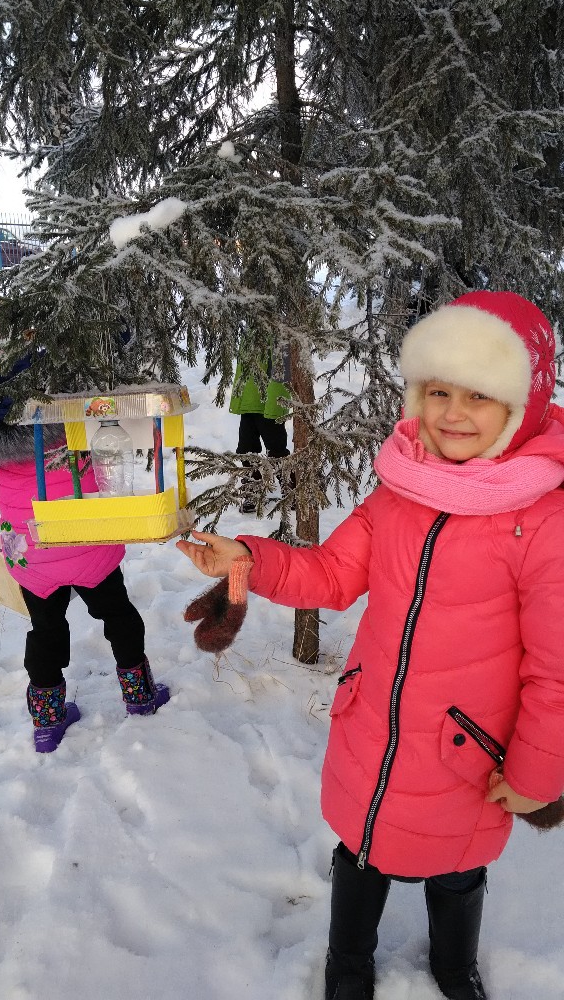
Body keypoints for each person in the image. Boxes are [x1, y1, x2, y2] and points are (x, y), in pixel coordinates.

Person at [176, 290, 564, 1000]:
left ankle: (454, 965)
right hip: (374, 731)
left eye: (479, 394)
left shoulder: (544, 520)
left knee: (458, 864)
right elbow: (330, 574)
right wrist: (250, 558)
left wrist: (539, 772)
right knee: (362, 849)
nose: (452, 412)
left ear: (522, 404)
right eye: (438, 390)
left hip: (468, 751)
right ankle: (348, 961)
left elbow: (557, 669)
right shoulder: (400, 491)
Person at [0, 327, 169, 754]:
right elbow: (113, 343)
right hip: (87, 532)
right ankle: (139, 694)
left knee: (45, 628)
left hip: (31, 547)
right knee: (117, 612)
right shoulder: (68, 403)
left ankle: (47, 722)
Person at [229, 346, 294, 513]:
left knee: (277, 450)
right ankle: (253, 490)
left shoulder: (277, 334)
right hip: (249, 403)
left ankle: (291, 491)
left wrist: (276, 404)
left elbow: (281, 370)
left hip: (268, 404)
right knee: (245, 449)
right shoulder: (249, 334)